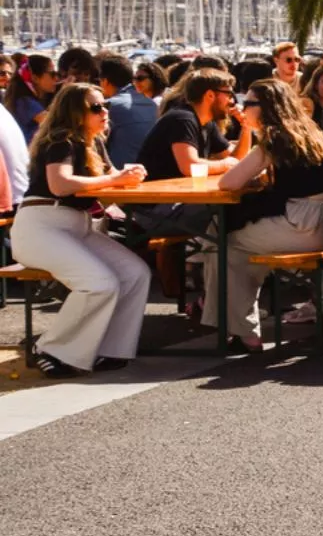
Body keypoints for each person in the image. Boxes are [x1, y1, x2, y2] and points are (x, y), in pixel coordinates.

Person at [10, 83, 151, 376]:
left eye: (105, 105)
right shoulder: (62, 140)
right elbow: (59, 184)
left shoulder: (93, 142)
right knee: (99, 283)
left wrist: (130, 177)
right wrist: (115, 181)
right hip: (41, 227)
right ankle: (50, 347)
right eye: (96, 107)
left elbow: (110, 179)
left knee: (136, 274)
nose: (104, 112)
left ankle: (110, 348)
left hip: (77, 226)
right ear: (74, 112)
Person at [208, 79, 323, 350]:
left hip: (299, 225)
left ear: (265, 107)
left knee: (221, 246)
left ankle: (242, 332)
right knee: (235, 252)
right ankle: (242, 330)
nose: (243, 108)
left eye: (248, 103)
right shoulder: (310, 133)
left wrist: (253, 179)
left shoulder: (274, 139)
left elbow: (227, 184)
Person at [131, 68, 245, 238]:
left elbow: (236, 159)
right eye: (228, 93)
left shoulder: (206, 122)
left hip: (178, 203)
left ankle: (208, 261)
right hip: (155, 212)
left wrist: (247, 127)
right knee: (228, 211)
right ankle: (209, 262)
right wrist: (226, 165)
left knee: (238, 207)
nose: (231, 100)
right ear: (210, 95)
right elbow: (190, 166)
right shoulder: (182, 119)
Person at [100, 55, 158, 169]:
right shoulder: (152, 104)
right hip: (153, 172)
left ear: (105, 81)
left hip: (122, 175)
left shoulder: (107, 106)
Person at [8, 54, 57, 138]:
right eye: (52, 74)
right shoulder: (26, 103)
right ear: (35, 78)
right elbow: (55, 124)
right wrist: (65, 94)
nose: (56, 78)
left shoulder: (23, 100)